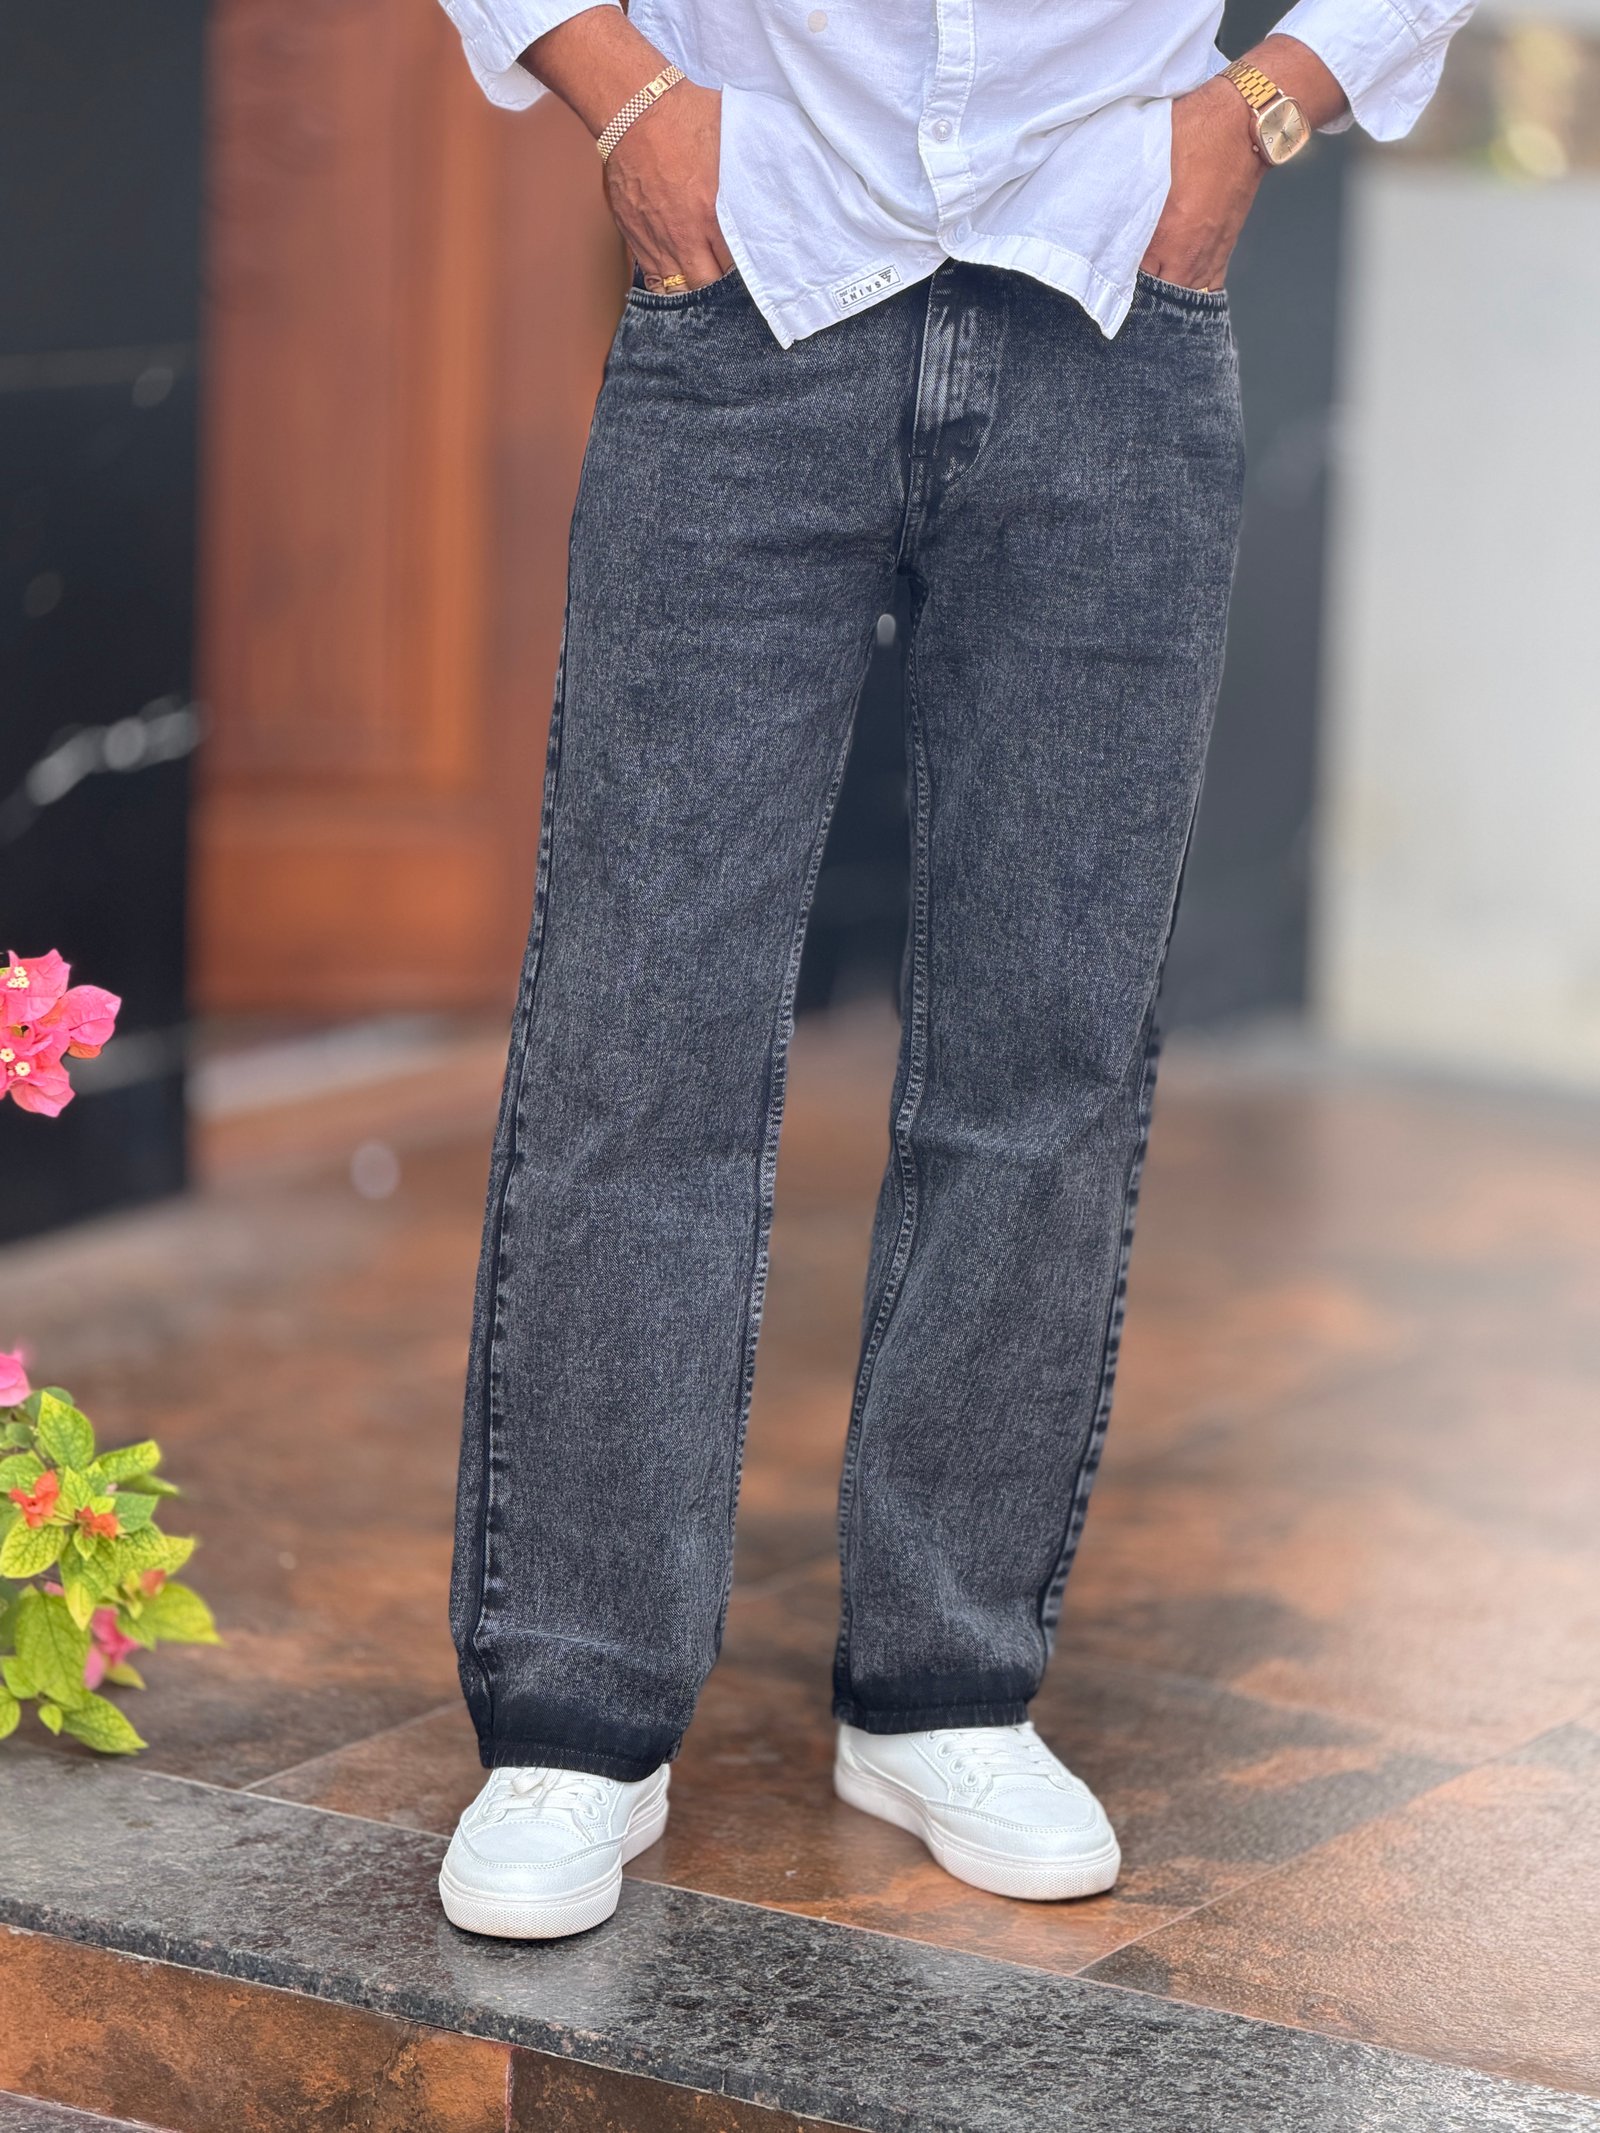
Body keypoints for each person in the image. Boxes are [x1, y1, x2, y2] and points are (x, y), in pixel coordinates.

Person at [432, 0, 1472, 1940]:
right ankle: (574, 1710)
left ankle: (944, 1684)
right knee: (639, 1028)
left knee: (1046, 1036)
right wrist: (625, 97)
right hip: (754, 281)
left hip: (1110, 293)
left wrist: (1255, 114)